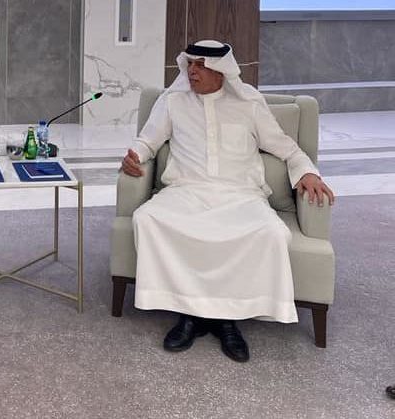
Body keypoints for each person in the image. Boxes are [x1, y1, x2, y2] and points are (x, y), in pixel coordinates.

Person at [121, 40, 335, 362]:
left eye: (200, 65)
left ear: (221, 71)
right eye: (190, 64)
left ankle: (226, 320)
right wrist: (134, 156)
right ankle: (189, 314)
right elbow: (147, 141)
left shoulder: (249, 103)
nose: (192, 71)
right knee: (147, 219)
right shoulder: (173, 101)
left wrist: (307, 172)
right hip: (186, 192)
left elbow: (286, 148)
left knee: (272, 233)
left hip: (240, 197)